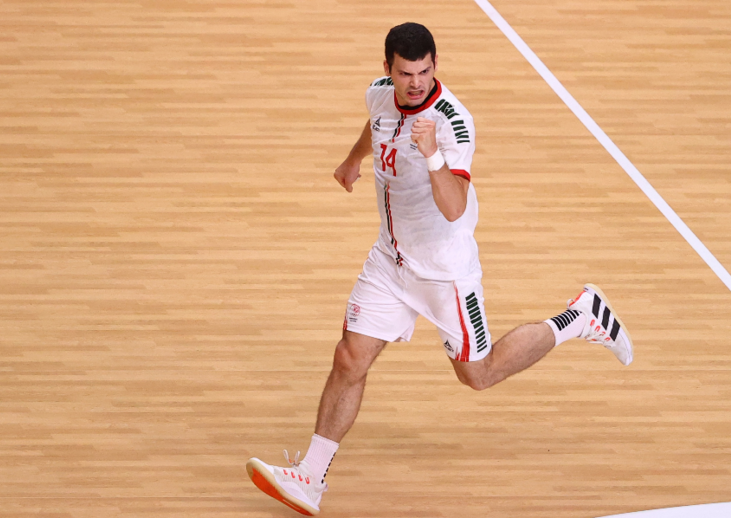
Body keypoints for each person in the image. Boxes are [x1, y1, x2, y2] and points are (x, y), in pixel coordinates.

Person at [246, 22, 633, 516]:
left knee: (477, 374)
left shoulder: (453, 122)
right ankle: (310, 478)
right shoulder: (380, 93)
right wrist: (352, 160)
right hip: (390, 261)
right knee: (349, 358)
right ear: (387, 69)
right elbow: (377, 121)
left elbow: (454, 207)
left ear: (435, 66)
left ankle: (580, 317)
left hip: (444, 272)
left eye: (425, 72)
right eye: (406, 73)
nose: (416, 83)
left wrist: (431, 156)